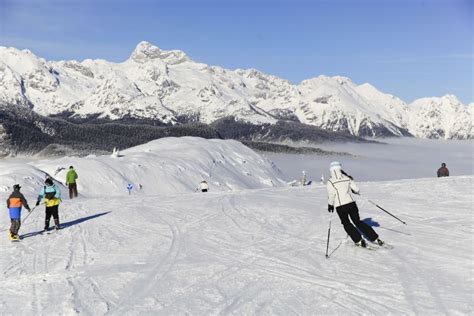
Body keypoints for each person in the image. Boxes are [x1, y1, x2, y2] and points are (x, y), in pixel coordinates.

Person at [326, 161, 384, 248]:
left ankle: (358, 240)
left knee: (346, 223)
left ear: (331, 170)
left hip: (340, 206)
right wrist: (354, 191)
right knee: (357, 222)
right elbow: (356, 189)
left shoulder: (330, 182)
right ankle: (375, 238)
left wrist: (330, 205)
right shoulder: (347, 178)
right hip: (351, 204)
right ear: (340, 168)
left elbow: (331, 195)